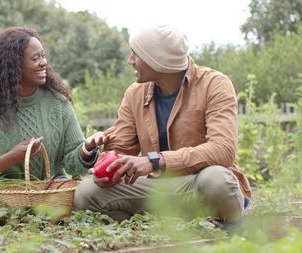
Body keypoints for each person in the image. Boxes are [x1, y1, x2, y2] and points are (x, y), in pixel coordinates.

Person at [74, 25, 252, 224]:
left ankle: (224, 224)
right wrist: (108, 170)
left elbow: (223, 150)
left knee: (216, 180)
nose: (130, 60)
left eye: (136, 54)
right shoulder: (135, 94)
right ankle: (153, 227)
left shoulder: (215, 84)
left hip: (197, 185)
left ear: (157, 61)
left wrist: (155, 161)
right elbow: (120, 148)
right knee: (87, 192)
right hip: (158, 189)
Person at [0, 27, 114, 221]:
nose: (43, 63)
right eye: (35, 58)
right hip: (4, 196)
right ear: (14, 66)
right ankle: (16, 217)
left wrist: (87, 148)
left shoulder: (58, 103)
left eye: (43, 56)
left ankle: (29, 219)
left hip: (52, 194)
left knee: (90, 196)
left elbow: (73, 162)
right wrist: (11, 157)